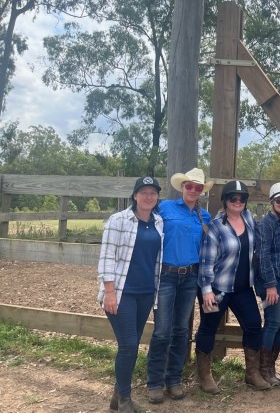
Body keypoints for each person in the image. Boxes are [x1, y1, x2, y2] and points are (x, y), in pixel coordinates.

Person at [195, 180, 270, 392]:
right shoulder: (215, 227)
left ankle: (252, 373)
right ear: (225, 201)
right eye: (233, 198)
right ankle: (205, 375)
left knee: (254, 324)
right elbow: (206, 261)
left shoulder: (249, 220)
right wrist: (206, 290)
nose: (238, 202)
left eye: (242, 198)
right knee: (208, 327)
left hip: (243, 287)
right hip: (218, 288)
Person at [146, 168, 213, 404]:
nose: (193, 190)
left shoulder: (205, 217)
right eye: (189, 186)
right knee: (162, 330)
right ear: (182, 187)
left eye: (198, 187)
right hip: (166, 275)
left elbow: (209, 249)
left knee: (181, 331)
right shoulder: (164, 208)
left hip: (190, 277)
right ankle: (154, 382)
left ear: (202, 191)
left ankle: (174, 379)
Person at [98, 176, 163, 413]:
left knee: (132, 346)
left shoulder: (158, 222)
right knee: (128, 345)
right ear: (134, 196)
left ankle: (118, 396)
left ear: (157, 198)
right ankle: (125, 400)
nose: (148, 196)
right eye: (143, 192)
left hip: (146, 292)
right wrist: (109, 292)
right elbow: (106, 257)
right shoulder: (118, 221)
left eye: (153, 193)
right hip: (122, 293)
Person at [254, 182, 280, 387]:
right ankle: (263, 369)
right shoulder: (266, 224)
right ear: (272, 202)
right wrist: (270, 285)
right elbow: (263, 256)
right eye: (279, 200)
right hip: (274, 281)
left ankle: (271, 366)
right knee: (273, 322)